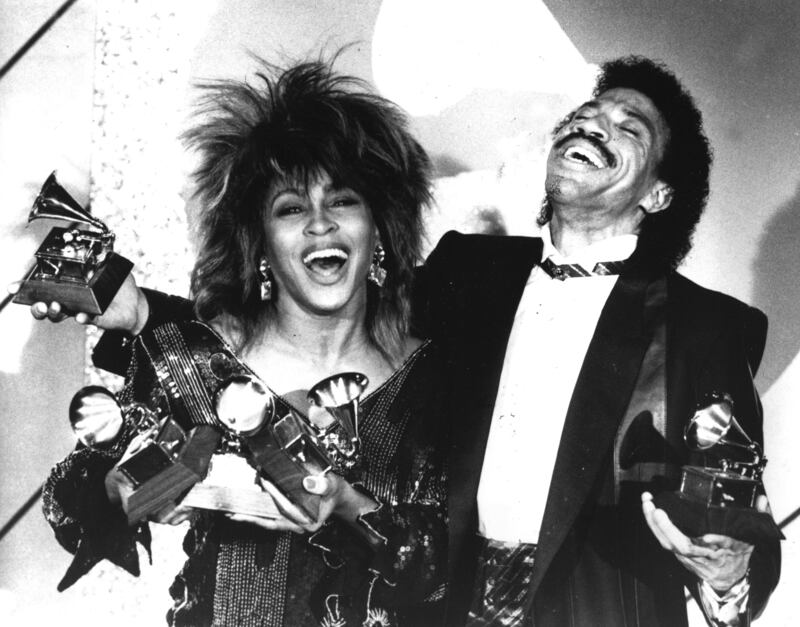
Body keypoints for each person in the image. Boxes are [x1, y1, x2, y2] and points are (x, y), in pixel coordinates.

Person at [26, 56, 781, 626]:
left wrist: (729, 574)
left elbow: (744, 516)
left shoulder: (702, 329)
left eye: (628, 128)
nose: (596, 124)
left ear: (658, 194)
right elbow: (321, 306)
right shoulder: (470, 271)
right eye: (591, 110)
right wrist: (137, 311)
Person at [39, 57, 448, 627]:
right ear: (258, 246)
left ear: (379, 229)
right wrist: (120, 486)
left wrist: (346, 505)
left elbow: (440, 567)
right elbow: (65, 508)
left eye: (344, 200)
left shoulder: (433, 377)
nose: (320, 223)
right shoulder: (195, 358)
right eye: (291, 207)